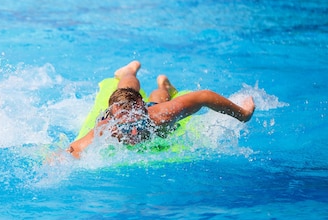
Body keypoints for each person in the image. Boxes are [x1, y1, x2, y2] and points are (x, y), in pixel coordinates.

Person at [68, 61, 255, 158]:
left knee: (157, 101)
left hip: (149, 109)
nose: (133, 132)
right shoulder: (108, 128)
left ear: (142, 111)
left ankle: (164, 86)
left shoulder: (158, 117)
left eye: (136, 124)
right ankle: (128, 72)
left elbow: (204, 96)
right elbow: (72, 150)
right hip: (123, 108)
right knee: (124, 90)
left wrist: (243, 115)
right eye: (126, 128)